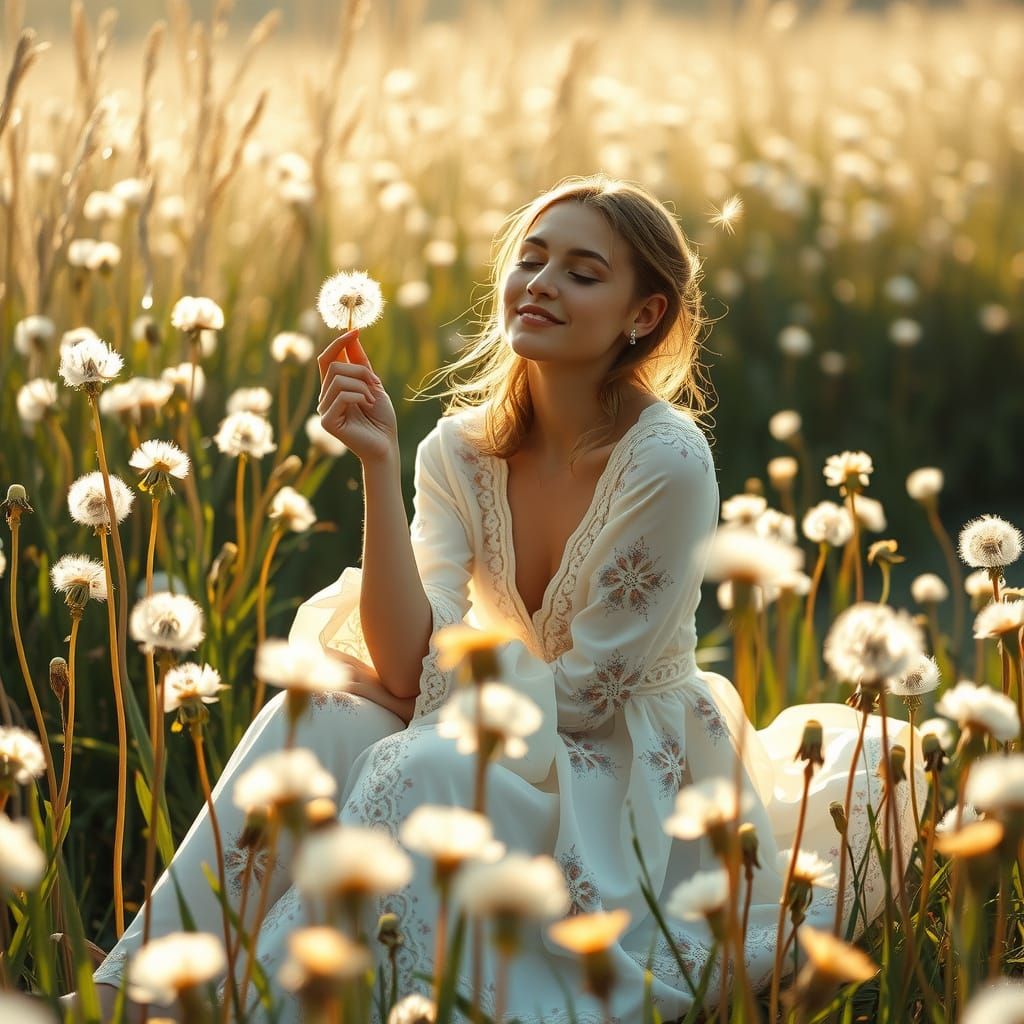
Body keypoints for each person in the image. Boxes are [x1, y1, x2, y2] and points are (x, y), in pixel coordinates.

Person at [86, 175, 918, 1022]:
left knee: (420, 760)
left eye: (583, 272)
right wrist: (377, 464)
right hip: (497, 720)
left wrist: (422, 688)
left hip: (620, 763)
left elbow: (588, 696)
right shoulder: (456, 450)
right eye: (531, 259)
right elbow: (407, 659)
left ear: (645, 315)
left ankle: (276, 1005)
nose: (543, 283)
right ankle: (135, 993)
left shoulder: (667, 462)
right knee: (314, 716)